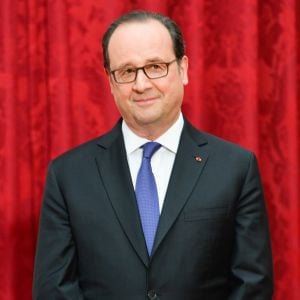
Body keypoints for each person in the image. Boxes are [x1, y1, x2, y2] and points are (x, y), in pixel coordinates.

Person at [33, 10, 273, 300]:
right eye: (126, 71)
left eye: (155, 66)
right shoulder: (68, 175)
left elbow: (251, 286)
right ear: (110, 82)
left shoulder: (235, 168)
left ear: (183, 69)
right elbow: (54, 291)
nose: (142, 84)